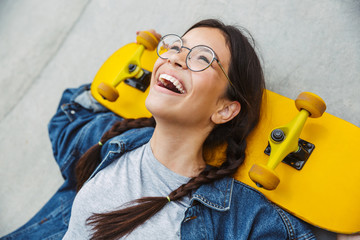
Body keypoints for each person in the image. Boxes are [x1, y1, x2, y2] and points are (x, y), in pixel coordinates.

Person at [1, 19, 317, 240]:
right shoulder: (113, 141)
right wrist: (127, 69)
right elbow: (70, 113)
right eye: (176, 46)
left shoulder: (238, 218)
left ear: (225, 109)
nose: (177, 58)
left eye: (203, 59)